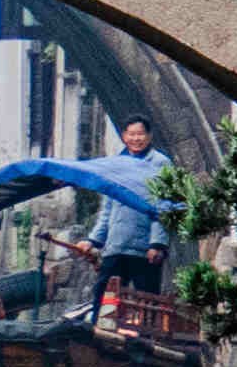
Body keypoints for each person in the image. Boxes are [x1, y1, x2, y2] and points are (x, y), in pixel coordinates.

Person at [71, 118, 171, 297]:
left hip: (145, 249)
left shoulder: (160, 163)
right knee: (103, 299)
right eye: (131, 134)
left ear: (149, 136)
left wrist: (157, 244)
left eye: (140, 134)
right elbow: (108, 209)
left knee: (147, 302)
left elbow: (164, 205)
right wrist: (93, 241)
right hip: (116, 245)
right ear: (124, 136)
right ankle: (95, 325)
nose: (136, 139)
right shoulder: (118, 163)